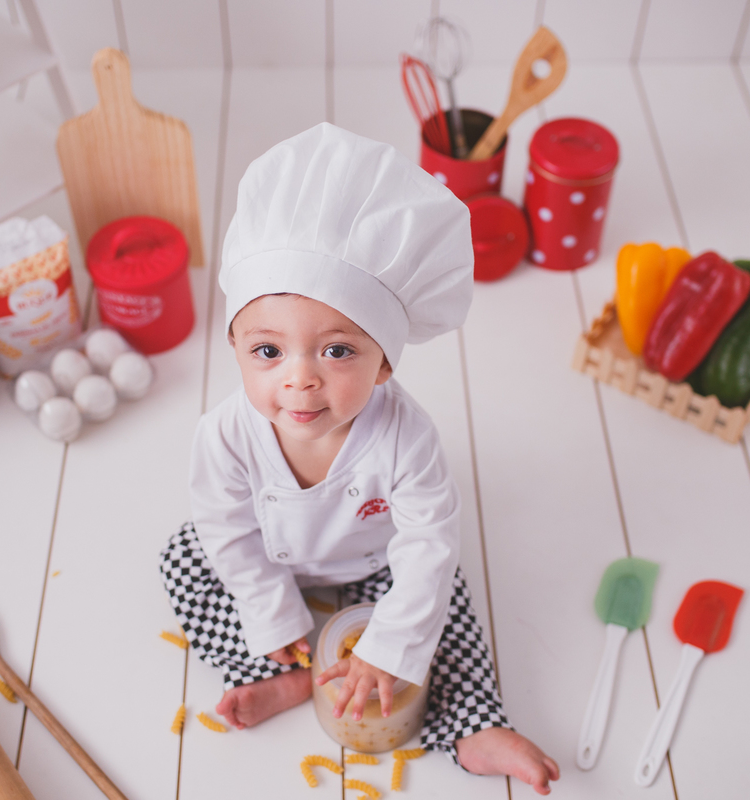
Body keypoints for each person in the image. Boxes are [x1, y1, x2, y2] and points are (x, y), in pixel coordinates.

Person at [159, 123, 559, 794]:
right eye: (268, 351)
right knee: (184, 556)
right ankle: (277, 670)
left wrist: (391, 644)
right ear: (234, 348)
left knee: (445, 592)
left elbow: (427, 540)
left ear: (383, 364)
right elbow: (227, 531)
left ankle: (472, 725)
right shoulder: (224, 435)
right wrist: (273, 612)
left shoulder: (406, 435)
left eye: (338, 351)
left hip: (375, 566)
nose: (300, 379)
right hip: (272, 564)